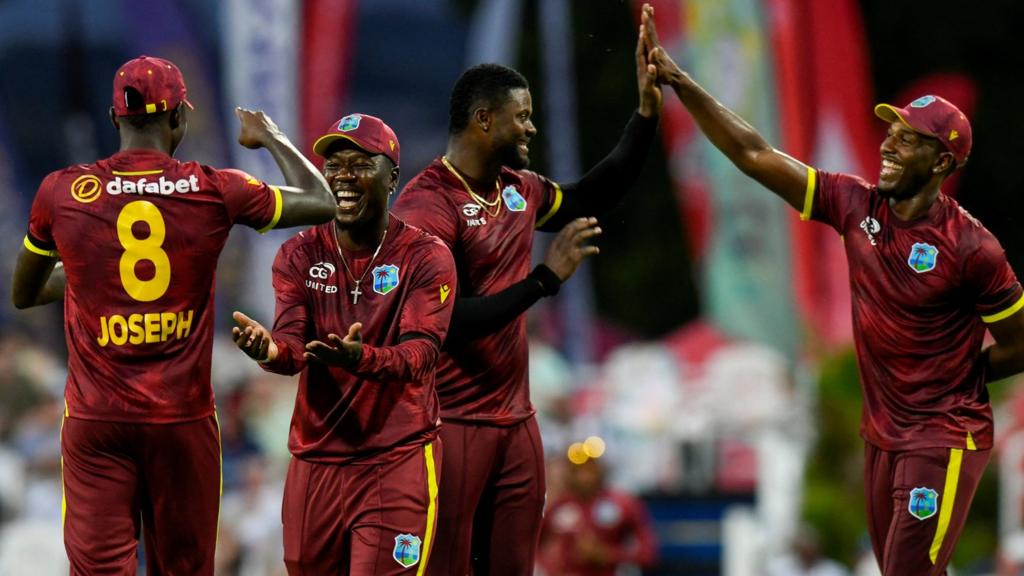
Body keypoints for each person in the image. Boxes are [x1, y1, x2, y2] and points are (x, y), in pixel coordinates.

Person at [640, 7, 1024, 575]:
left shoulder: (973, 248)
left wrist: (959, 376)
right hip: (881, 435)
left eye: (908, 139)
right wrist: (680, 82)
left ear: (943, 161)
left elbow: (1020, 341)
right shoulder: (855, 203)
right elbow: (753, 154)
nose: (890, 144)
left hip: (943, 438)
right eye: (890, 129)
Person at [11, 55, 335, 574]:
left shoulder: (63, 190)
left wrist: (90, 274)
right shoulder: (216, 188)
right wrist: (271, 135)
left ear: (115, 118)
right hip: (181, 421)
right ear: (180, 117)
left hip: (97, 422)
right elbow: (322, 202)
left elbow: (23, 293)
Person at [390, 6, 663, 573]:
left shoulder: (521, 191)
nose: (532, 129)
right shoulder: (426, 206)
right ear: (485, 120)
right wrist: (543, 281)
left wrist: (645, 116)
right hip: (450, 424)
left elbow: (591, 194)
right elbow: (444, 324)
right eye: (523, 117)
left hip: (516, 424)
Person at [231, 113, 457, 574]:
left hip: (394, 461)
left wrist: (362, 358)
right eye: (333, 166)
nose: (343, 177)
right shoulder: (298, 253)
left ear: (392, 176)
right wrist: (267, 350)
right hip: (316, 465)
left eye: (359, 164)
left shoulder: (425, 256)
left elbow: (422, 354)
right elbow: (292, 346)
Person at [538, 457, 657, 576]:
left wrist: (607, 555)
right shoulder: (557, 507)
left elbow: (647, 553)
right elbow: (532, 546)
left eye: (590, 469)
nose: (584, 476)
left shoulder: (623, 505)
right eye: (578, 470)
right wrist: (550, 569)